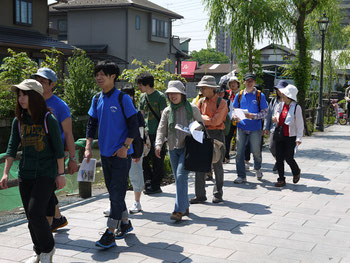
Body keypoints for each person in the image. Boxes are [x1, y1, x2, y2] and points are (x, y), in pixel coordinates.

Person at [0, 79, 65, 263]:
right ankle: (39, 251)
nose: (21, 98)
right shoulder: (18, 121)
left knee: (36, 212)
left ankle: (48, 249)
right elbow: (11, 148)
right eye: (19, 95)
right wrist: (6, 173)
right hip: (25, 175)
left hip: (45, 174)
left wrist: (60, 174)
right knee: (31, 218)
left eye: (25, 94)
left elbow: (59, 149)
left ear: (35, 96)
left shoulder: (48, 119)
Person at [85, 61, 138, 249]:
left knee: (116, 192)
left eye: (103, 74)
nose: (99, 77)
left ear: (113, 77)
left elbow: (134, 124)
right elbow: (91, 124)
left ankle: (110, 232)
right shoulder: (96, 98)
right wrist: (88, 147)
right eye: (97, 74)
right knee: (114, 192)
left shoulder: (123, 98)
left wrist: (125, 146)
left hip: (121, 155)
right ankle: (125, 223)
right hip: (105, 153)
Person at [32, 67, 78, 232]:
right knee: (45, 188)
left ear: (52, 85)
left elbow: (68, 133)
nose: (39, 83)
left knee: (46, 188)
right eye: (37, 80)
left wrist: (72, 159)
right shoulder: (31, 100)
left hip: (54, 154)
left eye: (43, 81)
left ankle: (49, 223)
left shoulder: (60, 105)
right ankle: (58, 218)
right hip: (36, 152)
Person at [155, 80, 203, 221]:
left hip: (188, 148)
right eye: (170, 93)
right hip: (172, 147)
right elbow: (161, 128)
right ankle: (185, 204)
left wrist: (194, 128)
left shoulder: (192, 108)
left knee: (181, 176)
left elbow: (201, 124)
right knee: (179, 179)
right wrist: (158, 144)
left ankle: (178, 210)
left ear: (182, 94)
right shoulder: (167, 111)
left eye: (176, 93)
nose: (173, 96)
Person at [190, 75, 228, 204]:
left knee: (217, 165)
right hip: (203, 133)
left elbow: (217, 121)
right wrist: (207, 118)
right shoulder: (200, 102)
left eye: (203, 87)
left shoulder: (222, 102)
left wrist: (203, 118)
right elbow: (195, 117)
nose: (201, 89)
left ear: (211, 88)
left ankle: (218, 194)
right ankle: (200, 195)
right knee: (199, 165)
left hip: (217, 134)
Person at [232, 72, 268, 184]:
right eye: (247, 81)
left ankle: (257, 168)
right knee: (239, 152)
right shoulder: (239, 95)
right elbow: (233, 110)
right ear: (244, 82)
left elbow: (265, 112)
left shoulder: (259, 95)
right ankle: (241, 176)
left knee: (256, 151)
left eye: (252, 81)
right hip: (241, 127)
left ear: (254, 82)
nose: (249, 83)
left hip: (255, 128)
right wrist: (234, 116)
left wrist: (253, 116)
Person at [137, 73, 167, 194]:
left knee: (157, 160)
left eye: (140, 84)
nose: (138, 87)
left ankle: (156, 185)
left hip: (158, 132)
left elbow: (164, 116)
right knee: (143, 158)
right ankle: (148, 182)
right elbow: (141, 116)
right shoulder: (142, 97)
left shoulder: (160, 97)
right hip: (146, 133)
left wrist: (164, 135)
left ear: (147, 84)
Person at [272, 84, 303, 187]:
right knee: (279, 158)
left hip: (290, 136)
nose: (282, 95)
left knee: (289, 157)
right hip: (279, 134)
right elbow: (276, 113)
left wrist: (299, 138)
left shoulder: (296, 108)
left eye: (284, 94)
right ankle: (281, 179)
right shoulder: (280, 104)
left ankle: (296, 171)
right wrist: (275, 118)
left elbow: (300, 124)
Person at [264, 80, 289, 172]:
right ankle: (279, 160)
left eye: (281, 89)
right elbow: (268, 114)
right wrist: (266, 127)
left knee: (281, 148)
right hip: (274, 128)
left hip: (285, 128)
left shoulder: (289, 101)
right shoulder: (274, 100)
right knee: (271, 146)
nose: (279, 91)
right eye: (278, 89)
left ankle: (279, 162)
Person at [225, 76, 240, 163]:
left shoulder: (242, 93)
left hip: (239, 119)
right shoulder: (227, 93)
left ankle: (242, 157)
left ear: (238, 84)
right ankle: (226, 156)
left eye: (235, 82)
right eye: (231, 83)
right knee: (227, 138)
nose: (233, 84)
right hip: (229, 119)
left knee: (240, 139)